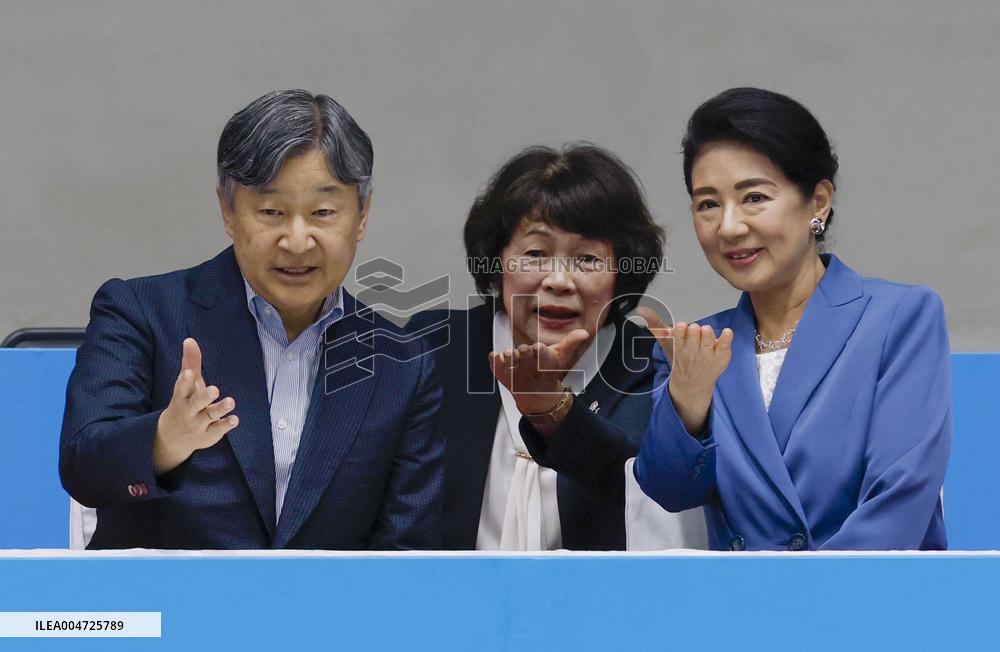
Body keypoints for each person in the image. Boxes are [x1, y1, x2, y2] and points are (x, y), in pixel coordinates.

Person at [60, 90, 443, 550]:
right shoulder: (140, 311)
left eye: (323, 212)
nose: (298, 241)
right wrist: (166, 439)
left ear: (361, 216)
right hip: (173, 612)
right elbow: (83, 467)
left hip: (326, 619)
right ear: (228, 209)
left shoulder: (403, 364)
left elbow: (408, 552)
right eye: (271, 212)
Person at [635, 87, 951, 551]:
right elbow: (669, 490)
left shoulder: (899, 318)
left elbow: (900, 499)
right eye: (707, 204)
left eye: (754, 198)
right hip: (743, 613)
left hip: (867, 607)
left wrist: (804, 605)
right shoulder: (700, 345)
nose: (729, 226)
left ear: (818, 202)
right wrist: (687, 399)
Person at [410, 144, 705, 550]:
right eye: (535, 253)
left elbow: (634, 481)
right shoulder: (434, 348)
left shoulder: (647, 363)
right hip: (447, 605)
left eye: (586, 259)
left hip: (594, 607)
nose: (559, 281)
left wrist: (552, 411)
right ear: (498, 260)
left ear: (621, 272)